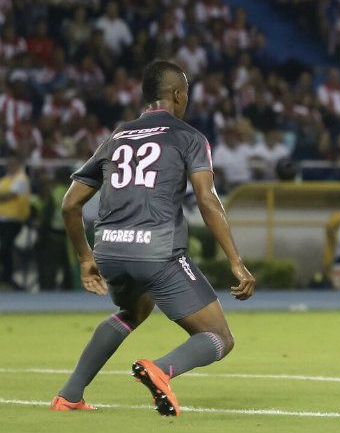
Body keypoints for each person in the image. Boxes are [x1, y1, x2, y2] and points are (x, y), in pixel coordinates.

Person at [51, 60, 256, 416]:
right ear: (178, 94)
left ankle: (69, 394)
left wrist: (86, 259)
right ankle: (162, 369)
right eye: (186, 94)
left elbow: (70, 204)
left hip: (109, 248)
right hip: (158, 251)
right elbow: (207, 200)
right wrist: (236, 262)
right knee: (219, 338)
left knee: (135, 309)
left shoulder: (116, 137)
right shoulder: (189, 137)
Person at [0, 155, 31, 291]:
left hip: (14, 219)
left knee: (5, 247)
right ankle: (7, 276)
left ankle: (7, 276)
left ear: (18, 165)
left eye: (13, 164)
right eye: (9, 164)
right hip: (2, 219)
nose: (10, 166)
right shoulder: (5, 180)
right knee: (5, 248)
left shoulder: (21, 179)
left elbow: (11, 195)